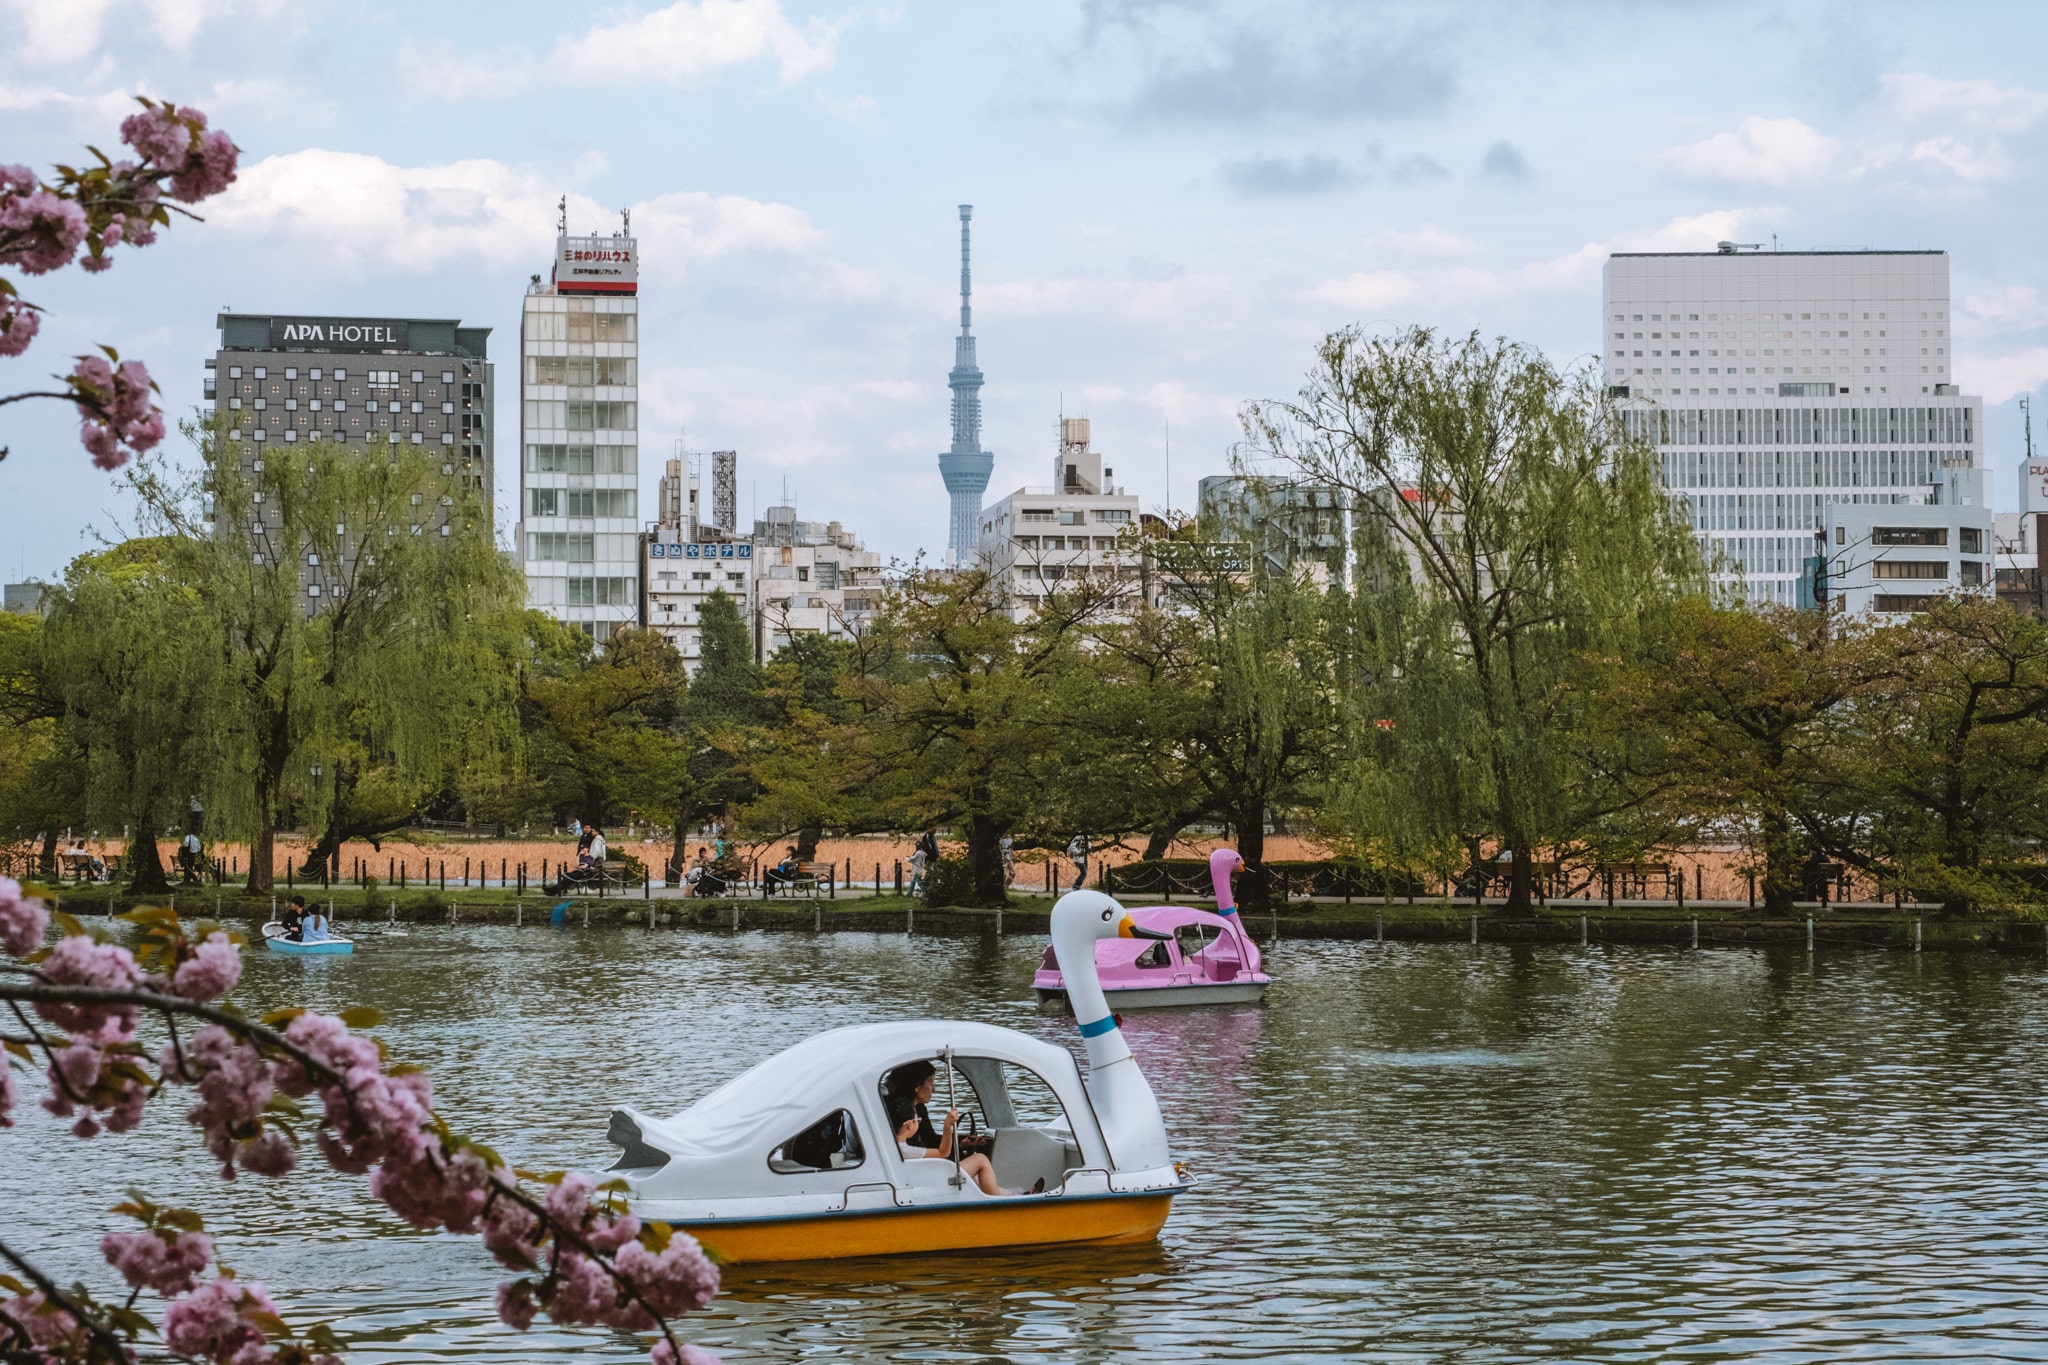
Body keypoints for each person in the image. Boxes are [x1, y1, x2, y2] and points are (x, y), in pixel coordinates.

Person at [885, 1094, 1008, 1197]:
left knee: (973, 1176)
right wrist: (947, 1126)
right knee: (980, 1159)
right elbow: (943, 1153)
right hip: (934, 1186)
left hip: (921, 1181)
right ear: (909, 1125)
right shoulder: (905, 1150)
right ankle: (996, 1204)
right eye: (917, 1121)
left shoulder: (888, 1146)